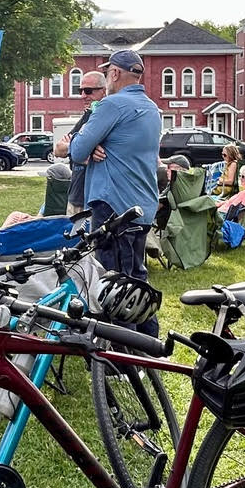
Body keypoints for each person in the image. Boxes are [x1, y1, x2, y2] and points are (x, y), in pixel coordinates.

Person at [69, 49, 161, 334]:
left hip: (113, 207)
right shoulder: (151, 109)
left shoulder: (112, 105)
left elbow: (76, 149)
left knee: (113, 283)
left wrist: (88, 146)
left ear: (114, 73)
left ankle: (119, 355)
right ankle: (149, 343)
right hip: (143, 205)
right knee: (136, 277)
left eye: (108, 72)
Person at [53, 70, 107, 216]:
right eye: (80, 90)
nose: (83, 95)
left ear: (104, 91)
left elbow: (103, 156)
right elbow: (58, 150)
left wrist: (77, 148)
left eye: (88, 91)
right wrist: (82, 149)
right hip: (75, 198)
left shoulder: (109, 118)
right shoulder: (87, 116)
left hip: (95, 202)